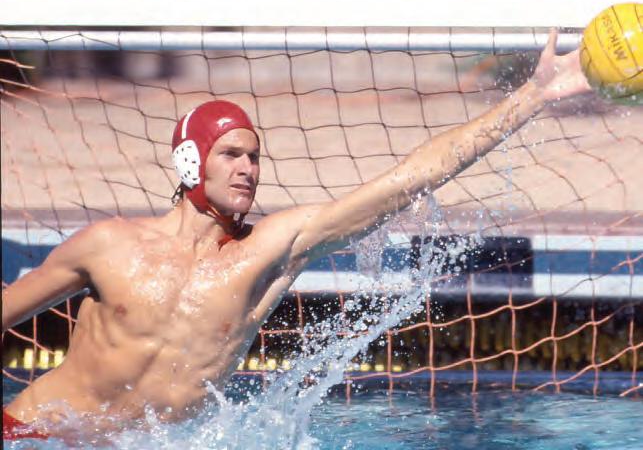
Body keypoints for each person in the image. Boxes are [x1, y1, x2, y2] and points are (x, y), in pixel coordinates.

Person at [2, 30, 591, 440]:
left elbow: (405, 181)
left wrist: (532, 98)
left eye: (254, 157)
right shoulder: (109, 245)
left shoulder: (268, 249)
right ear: (189, 162)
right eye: (231, 154)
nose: (248, 169)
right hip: (32, 433)